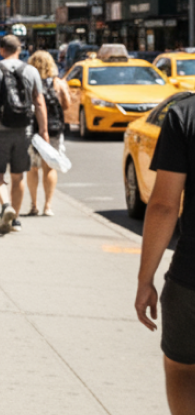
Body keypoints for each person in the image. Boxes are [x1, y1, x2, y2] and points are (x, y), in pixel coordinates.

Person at [135, 94, 195, 415]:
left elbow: (163, 205)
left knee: (183, 369)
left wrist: (146, 279)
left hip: (191, 279)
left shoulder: (184, 114)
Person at [0, 34, 48, 234]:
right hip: (23, 131)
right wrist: (43, 131)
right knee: (19, 176)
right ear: (20, 49)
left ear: (1, 50)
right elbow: (39, 102)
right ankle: (15, 219)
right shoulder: (31, 70)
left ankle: (5, 205)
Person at [25, 50, 71, 217]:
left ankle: (33, 204)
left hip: (32, 130)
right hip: (53, 130)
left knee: (32, 168)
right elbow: (67, 105)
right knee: (50, 167)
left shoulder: (28, 83)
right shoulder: (58, 83)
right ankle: (48, 206)